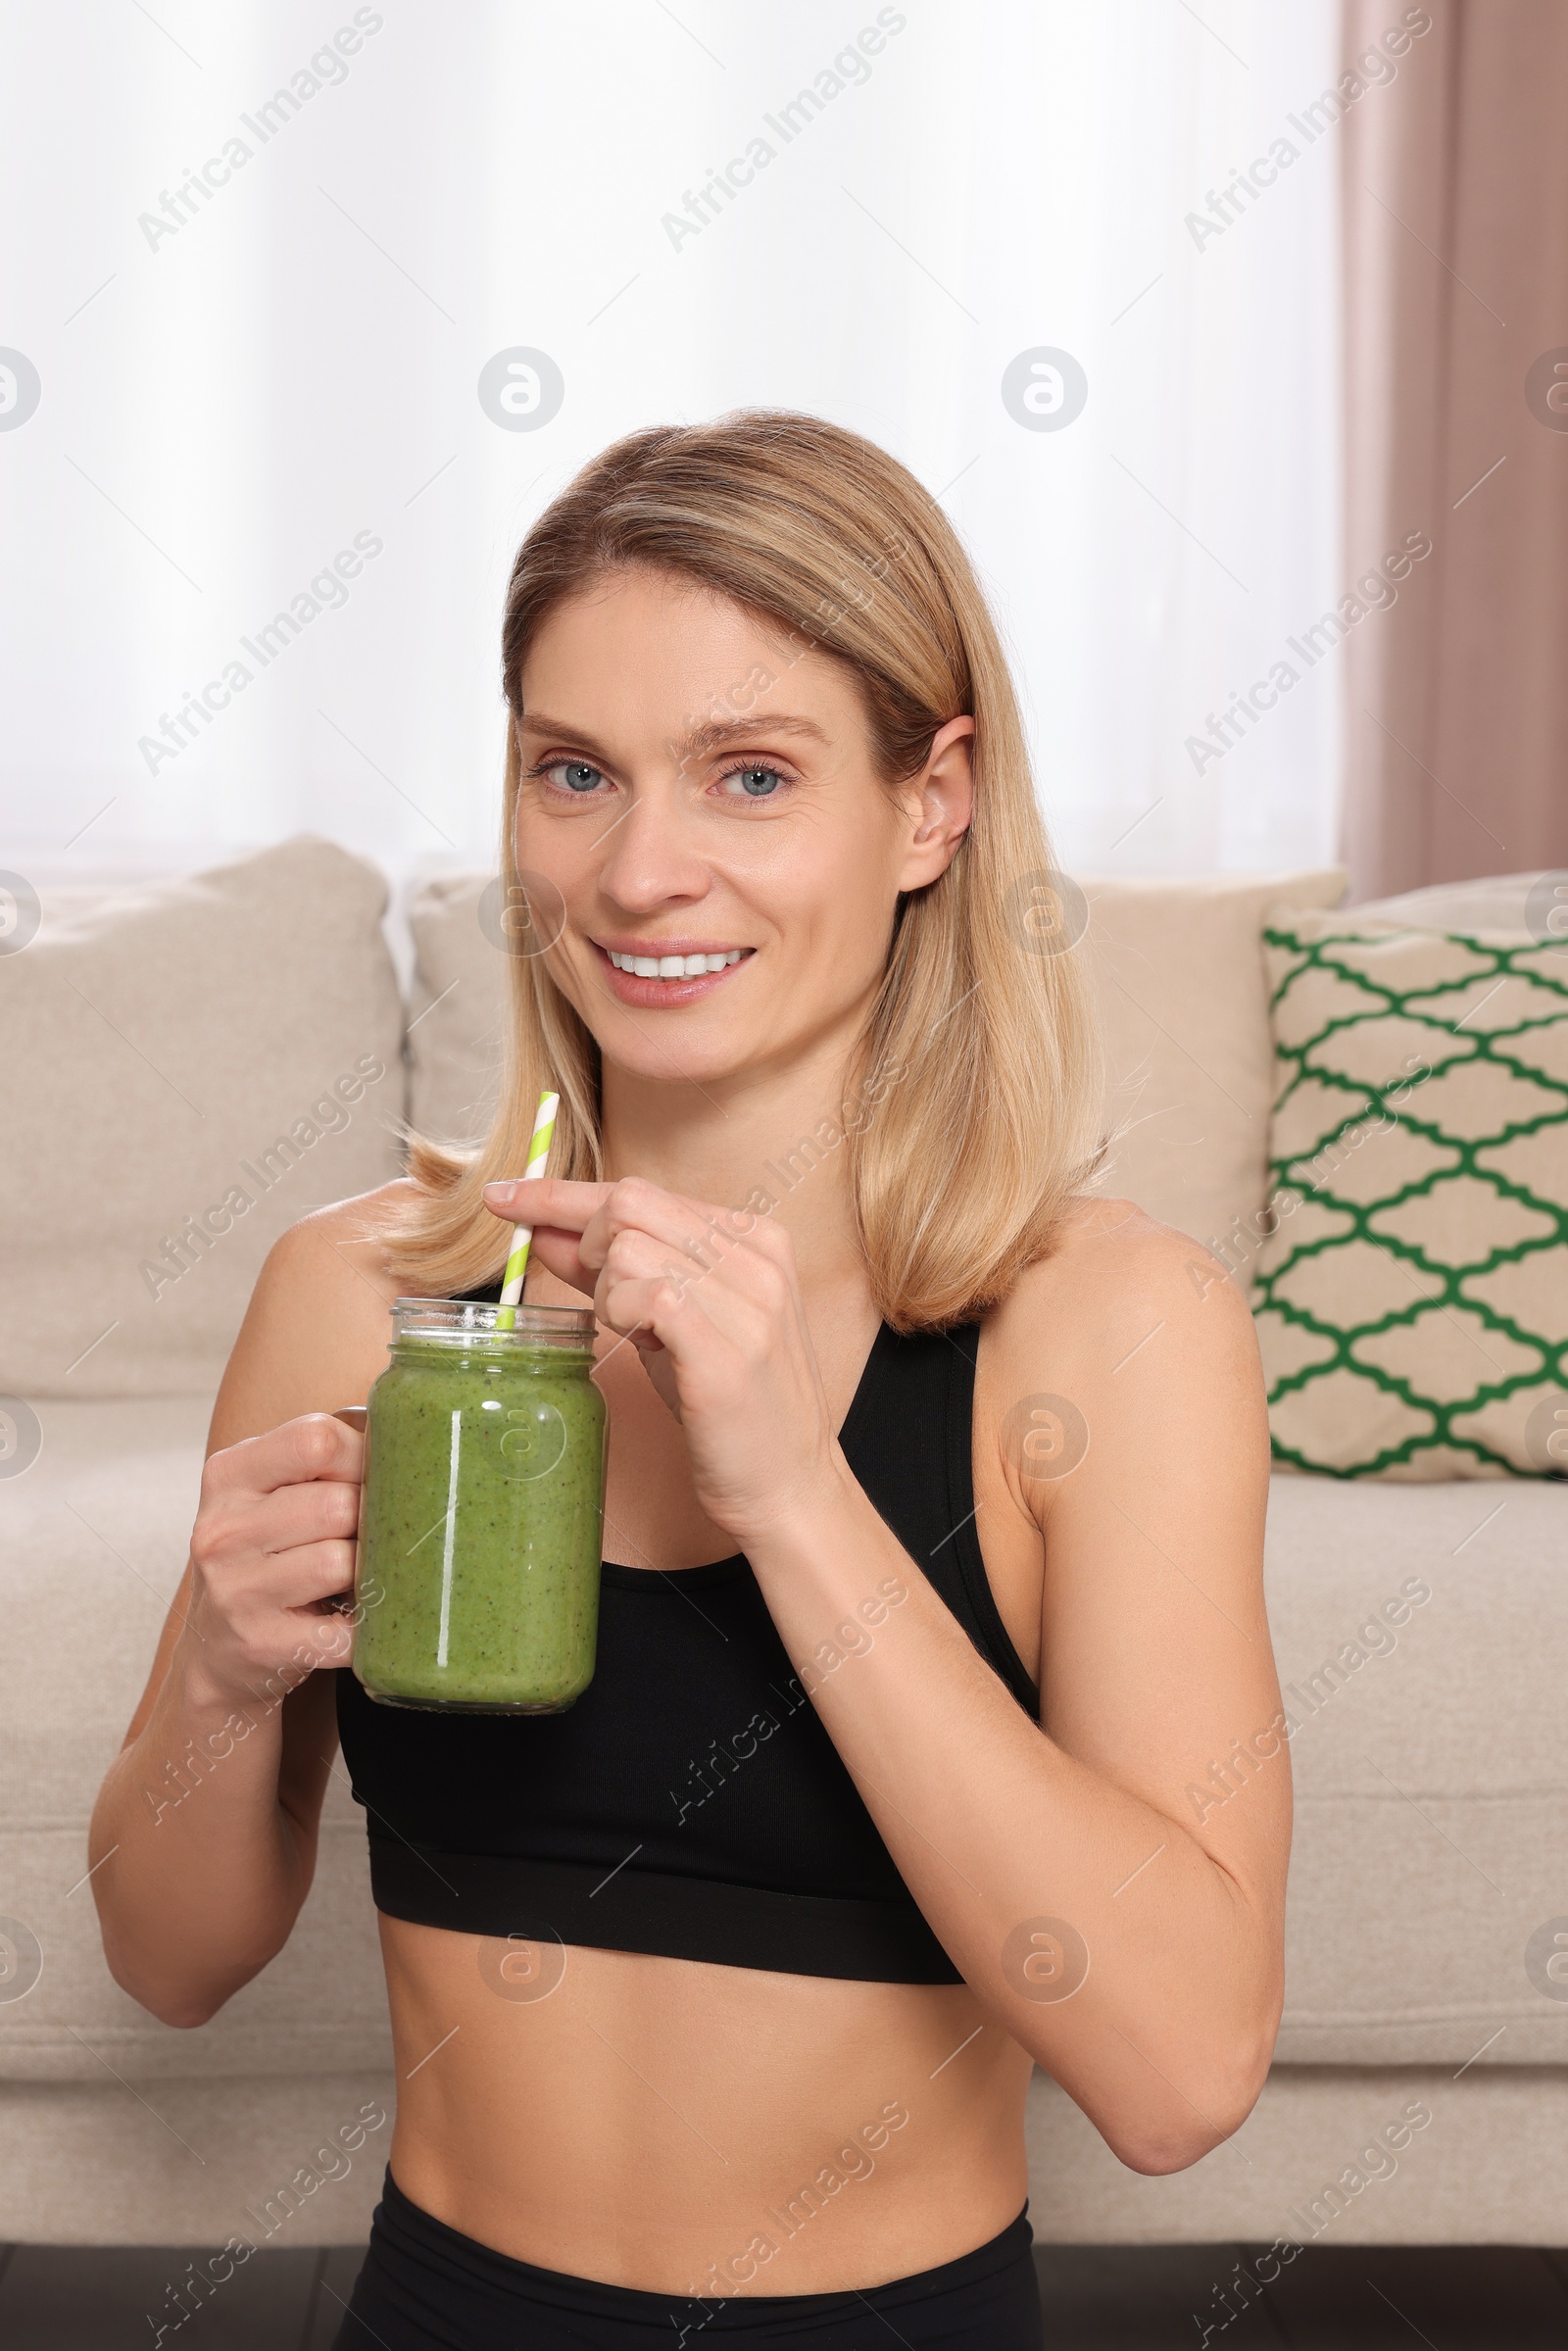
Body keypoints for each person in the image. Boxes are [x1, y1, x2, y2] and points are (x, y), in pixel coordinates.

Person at [89, 411, 1291, 2348]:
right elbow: (167, 1963)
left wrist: (792, 1495)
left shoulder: (1104, 1330)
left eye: (747, 775)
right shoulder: (359, 1297)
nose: (640, 871)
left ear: (929, 803)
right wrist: (224, 1683)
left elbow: (1176, 2075)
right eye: (575, 771)